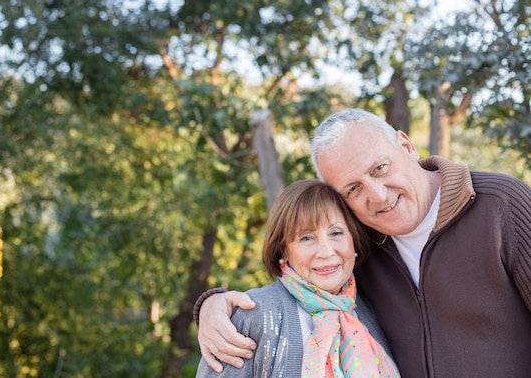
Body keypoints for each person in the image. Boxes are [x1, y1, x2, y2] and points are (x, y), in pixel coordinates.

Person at [195, 109, 531, 378]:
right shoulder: (362, 246)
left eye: (381, 168)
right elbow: (304, 283)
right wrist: (214, 306)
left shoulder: (501, 206)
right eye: (352, 189)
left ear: (406, 146)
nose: (378, 195)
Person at [195, 179, 399, 377]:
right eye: (306, 238)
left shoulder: (375, 308)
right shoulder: (253, 316)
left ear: (353, 239)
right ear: (283, 250)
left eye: (336, 233)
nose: (326, 252)